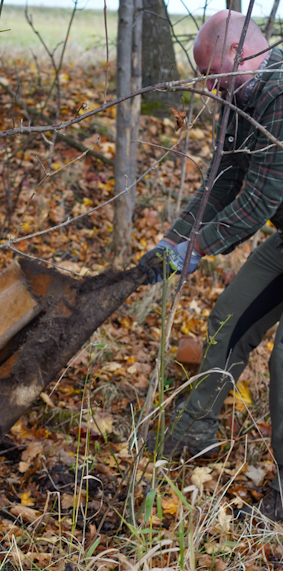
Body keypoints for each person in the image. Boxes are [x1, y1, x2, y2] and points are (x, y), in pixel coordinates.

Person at [138, 10, 283, 521]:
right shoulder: (238, 97)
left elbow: (261, 197)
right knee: (228, 320)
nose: (207, 85)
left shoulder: (281, 93)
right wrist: (170, 242)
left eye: (210, 73)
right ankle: (192, 433)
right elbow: (221, 182)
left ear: (240, 54)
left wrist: (196, 248)